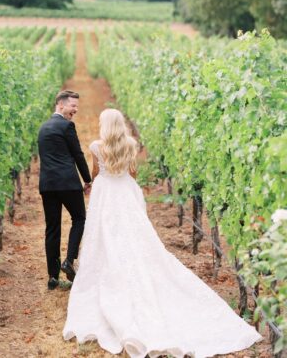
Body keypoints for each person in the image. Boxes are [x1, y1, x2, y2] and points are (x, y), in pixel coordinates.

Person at [63, 108, 262, 358]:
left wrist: (95, 180)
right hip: (125, 190)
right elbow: (133, 172)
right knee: (133, 232)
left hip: (106, 191)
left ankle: (108, 267)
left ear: (104, 125)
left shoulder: (96, 146)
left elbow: (95, 172)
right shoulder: (130, 144)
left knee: (104, 233)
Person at [38, 90, 92, 290]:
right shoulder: (67, 126)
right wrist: (87, 180)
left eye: (77, 106)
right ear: (60, 105)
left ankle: (52, 277)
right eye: (73, 106)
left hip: (47, 185)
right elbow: (77, 154)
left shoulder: (43, 128)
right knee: (79, 218)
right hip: (68, 183)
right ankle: (69, 260)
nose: (75, 110)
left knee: (52, 228)